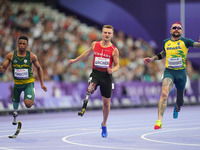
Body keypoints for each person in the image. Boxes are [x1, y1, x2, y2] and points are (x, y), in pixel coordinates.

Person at [143, 21, 200, 130]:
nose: (176, 29)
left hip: (181, 73)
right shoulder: (166, 42)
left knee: (180, 101)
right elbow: (163, 53)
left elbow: (197, 45)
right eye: (174, 28)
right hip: (169, 72)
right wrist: (152, 59)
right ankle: (159, 121)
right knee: (164, 93)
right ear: (171, 30)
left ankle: (177, 106)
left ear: (181, 31)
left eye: (179, 28)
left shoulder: (186, 41)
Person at [68, 25, 119, 137]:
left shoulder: (114, 50)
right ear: (102, 33)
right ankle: (87, 97)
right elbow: (87, 53)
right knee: (90, 88)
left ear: (112, 35)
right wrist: (75, 60)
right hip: (95, 74)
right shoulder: (95, 44)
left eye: (109, 33)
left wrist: (112, 70)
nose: (107, 35)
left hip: (107, 77)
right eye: (105, 32)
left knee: (106, 104)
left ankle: (104, 124)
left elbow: (117, 65)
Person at [0, 36, 47, 125]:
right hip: (17, 84)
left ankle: (32, 94)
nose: (21, 45)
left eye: (24, 44)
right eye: (20, 43)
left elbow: (39, 68)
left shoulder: (32, 56)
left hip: (28, 83)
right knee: (15, 104)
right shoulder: (11, 55)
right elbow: (3, 69)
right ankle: (15, 113)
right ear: (17, 44)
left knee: (28, 104)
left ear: (27, 45)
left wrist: (42, 84)